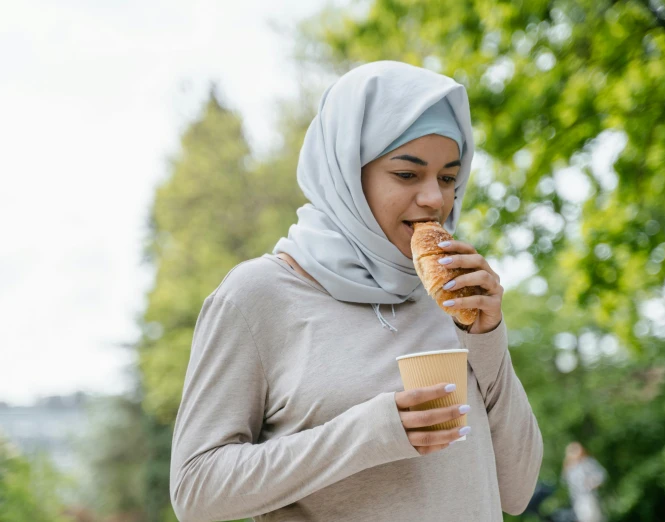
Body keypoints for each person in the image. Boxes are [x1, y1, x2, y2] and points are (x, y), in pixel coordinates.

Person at [169, 60, 543, 522]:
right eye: (408, 174)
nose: (436, 200)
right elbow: (195, 490)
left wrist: (487, 338)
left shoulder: (451, 297)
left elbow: (517, 491)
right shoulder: (258, 295)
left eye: (448, 178)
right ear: (347, 173)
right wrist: (372, 432)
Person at [562, 442, 606, 522]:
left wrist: (591, 482)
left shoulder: (587, 462)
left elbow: (601, 475)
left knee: (592, 518)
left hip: (588, 496)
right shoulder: (569, 466)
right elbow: (564, 480)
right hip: (576, 498)